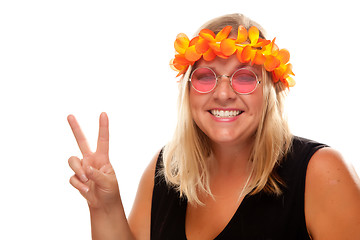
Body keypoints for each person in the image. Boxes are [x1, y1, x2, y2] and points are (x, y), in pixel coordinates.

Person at [67, 13, 360, 240]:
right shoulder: (165, 171)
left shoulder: (320, 172)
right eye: (206, 77)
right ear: (189, 91)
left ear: (270, 90)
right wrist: (104, 206)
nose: (223, 93)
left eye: (244, 77)